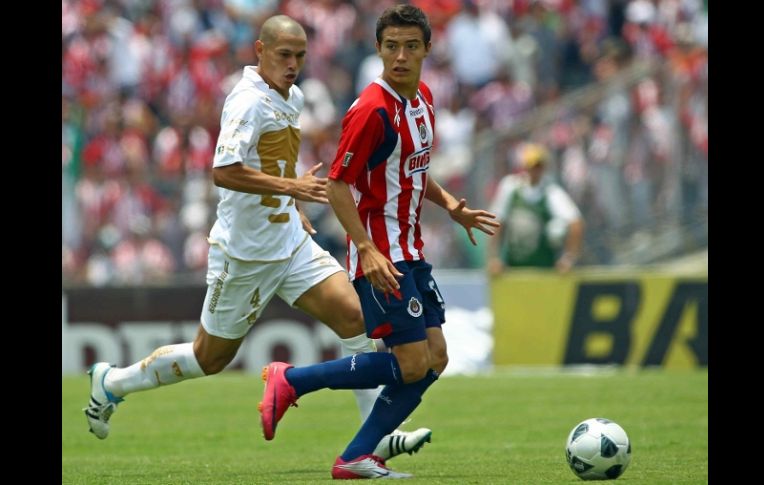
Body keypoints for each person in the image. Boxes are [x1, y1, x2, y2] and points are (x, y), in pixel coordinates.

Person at [83, 14, 432, 463]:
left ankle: (377, 436)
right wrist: (292, 191)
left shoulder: (293, 95)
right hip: (244, 254)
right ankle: (112, 382)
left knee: (355, 319)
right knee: (210, 358)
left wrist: (295, 203)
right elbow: (222, 171)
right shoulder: (246, 101)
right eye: (284, 55)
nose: (293, 65)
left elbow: (278, 163)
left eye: (300, 57)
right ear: (260, 51)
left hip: (288, 240)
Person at [258, 5, 500, 479]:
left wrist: (450, 205)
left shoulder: (424, 99)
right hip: (381, 255)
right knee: (411, 362)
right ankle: (294, 382)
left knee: (434, 359)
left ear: (428, 49)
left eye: (411, 46)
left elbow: (413, 166)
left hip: (411, 253)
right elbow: (336, 184)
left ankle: (353, 454)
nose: (401, 56)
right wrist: (366, 249)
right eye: (391, 46)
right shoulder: (371, 109)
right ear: (378, 49)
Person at [487, 142, 584, 275]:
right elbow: (497, 222)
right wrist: (494, 258)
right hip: (513, 271)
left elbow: (576, 223)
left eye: (538, 166)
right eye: (531, 166)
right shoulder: (510, 187)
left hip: (545, 272)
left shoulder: (551, 192)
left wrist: (568, 259)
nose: (534, 171)